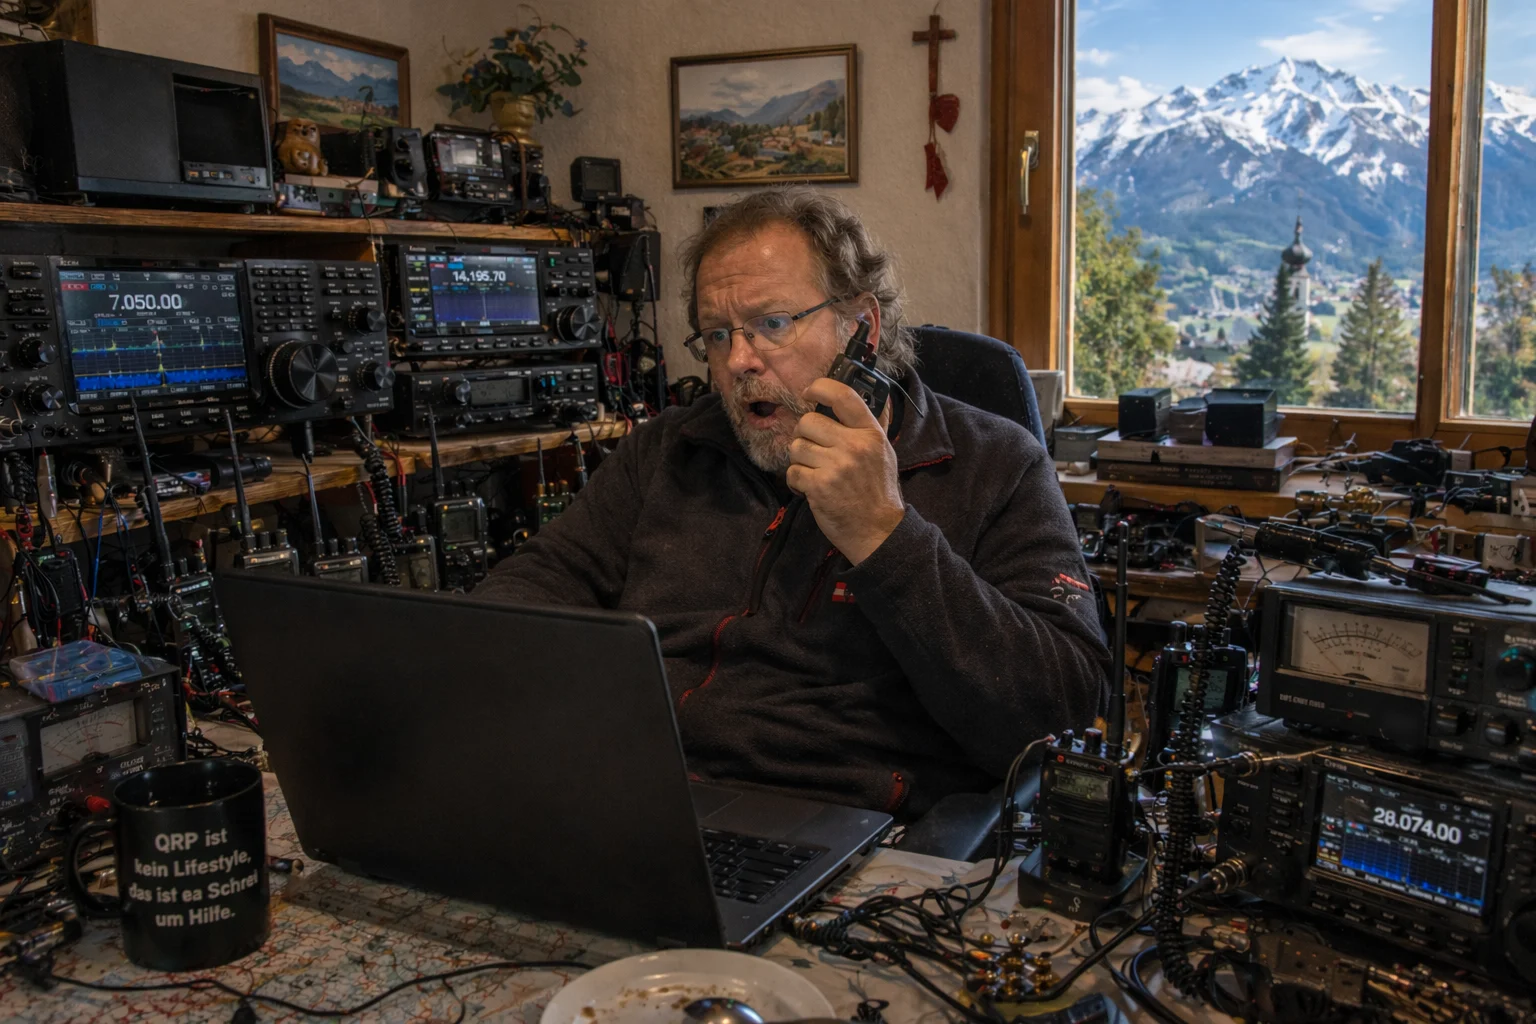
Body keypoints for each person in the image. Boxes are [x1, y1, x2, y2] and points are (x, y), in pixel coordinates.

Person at [476, 186, 1108, 819]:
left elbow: (1061, 713)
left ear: (861, 328)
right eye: (716, 335)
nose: (739, 361)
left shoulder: (994, 465)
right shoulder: (669, 448)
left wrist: (885, 536)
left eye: (772, 325)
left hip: (850, 825)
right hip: (643, 798)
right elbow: (530, 589)